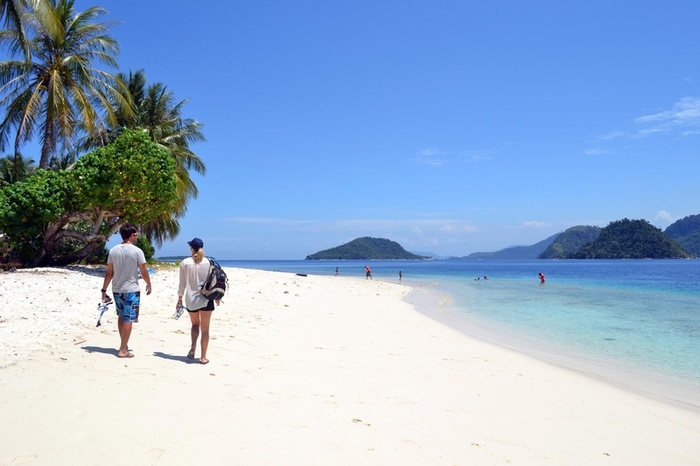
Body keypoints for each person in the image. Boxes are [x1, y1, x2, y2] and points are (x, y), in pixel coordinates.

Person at [101, 224, 152, 358]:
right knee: (128, 318)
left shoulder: (113, 251)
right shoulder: (137, 251)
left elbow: (109, 273)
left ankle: (124, 344)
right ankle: (123, 350)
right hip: (131, 289)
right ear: (132, 235)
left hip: (117, 289)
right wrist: (149, 284)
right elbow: (144, 271)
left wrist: (103, 289)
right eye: (136, 234)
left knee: (121, 316)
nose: (138, 236)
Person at [177, 237, 219, 364]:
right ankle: (203, 357)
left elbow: (182, 284)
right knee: (205, 330)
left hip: (191, 300)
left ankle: (193, 347)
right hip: (206, 299)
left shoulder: (184, 263)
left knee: (195, 325)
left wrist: (179, 299)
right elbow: (214, 282)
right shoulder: (209, 262)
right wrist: (218, 297)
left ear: (191, 248)